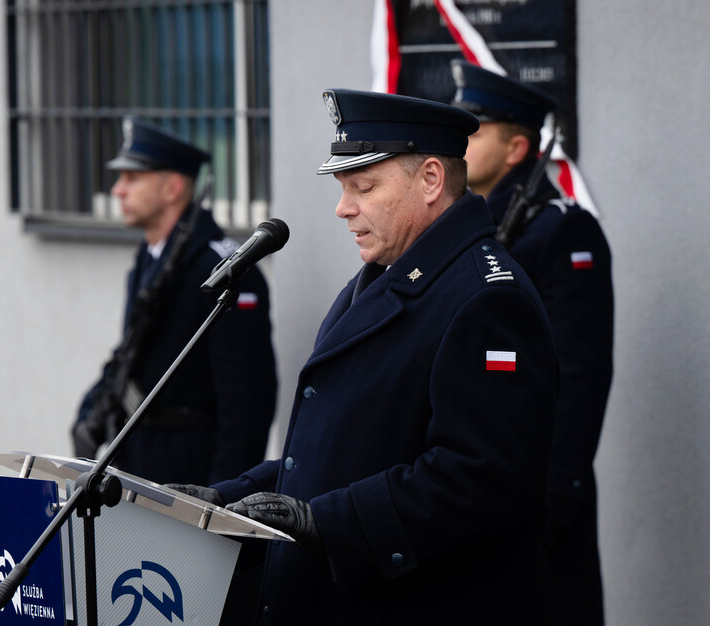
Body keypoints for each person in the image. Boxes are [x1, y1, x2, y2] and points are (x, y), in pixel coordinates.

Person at [172, 89, 559, 623]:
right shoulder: (385, 277)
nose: (343, 207)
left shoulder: (487, 299)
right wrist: (227, 501)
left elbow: (478, 480)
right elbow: (339, 452)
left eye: (364, 187)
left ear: (430, 179)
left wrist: (328, 523)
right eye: (342, 188)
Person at [451, 59, 614, 625]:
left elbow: (579, 375)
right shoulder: (467, 229)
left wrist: (557, 497)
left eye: (475, 132)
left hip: (539, 486)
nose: (459, 144)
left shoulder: (562, 229)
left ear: (517, 148)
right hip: (475, 482)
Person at [72, 117, 277, 486]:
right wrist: (91, 411)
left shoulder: (222, 269)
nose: (118, 190)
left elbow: (247, 404)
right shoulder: (152, 255)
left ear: (173, 188)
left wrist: (223, 495)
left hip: (190, 472)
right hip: (141, 458)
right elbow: (131, 351)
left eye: (132, 178)